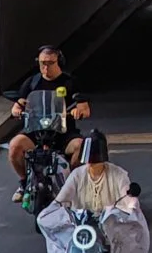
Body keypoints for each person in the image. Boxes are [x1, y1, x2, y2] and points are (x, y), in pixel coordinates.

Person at [6, 45, 90, 197]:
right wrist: (17, 110)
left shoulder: (70, 82)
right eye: (42, 62)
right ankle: (24, 182)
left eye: (50, 63)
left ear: (60, 63)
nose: (46, 67)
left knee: (80, 146)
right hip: (36, 130)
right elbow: (18, 104)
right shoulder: (32, 82)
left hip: (63, 131)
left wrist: (79, 111)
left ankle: (72, 183)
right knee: (14, 146)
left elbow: (84, 107)